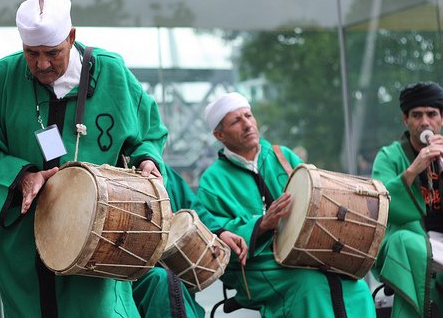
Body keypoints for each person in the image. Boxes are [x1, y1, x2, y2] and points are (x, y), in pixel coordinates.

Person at [0, 0, 168, 317]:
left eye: (52, 52)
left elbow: (149, 133)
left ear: (71, 37)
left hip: (99, 242)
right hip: (24, 247)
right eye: (31, 53)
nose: (42, 64)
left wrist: (147, 160)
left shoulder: (112, 74)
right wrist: (22, 177)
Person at [196, 92, 376, 318]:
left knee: (355, 285)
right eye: (236, 121)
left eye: (249, 116)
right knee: (310, 285)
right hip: (257, 267)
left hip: (305, 253)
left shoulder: (283, 155)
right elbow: (213, 239)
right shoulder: (212, 181)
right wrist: (261, 225)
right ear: (219, 134)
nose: (247, 124)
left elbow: (316, 197)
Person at [132, 163, 248, 318]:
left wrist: (220, 231)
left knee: (171, 285)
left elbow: (192, 207)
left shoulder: (163, 171)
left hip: (172, 274)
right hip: (127, 274)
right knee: (161, 281)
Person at [371, 81, 443, 317]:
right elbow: (378, 204)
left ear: (441, 119)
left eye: (432, 114)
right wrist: (413, 169)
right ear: (405, 119)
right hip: (405, 241)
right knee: (404, 241)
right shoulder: (388, 156)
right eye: (417, 115)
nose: (425, 122)